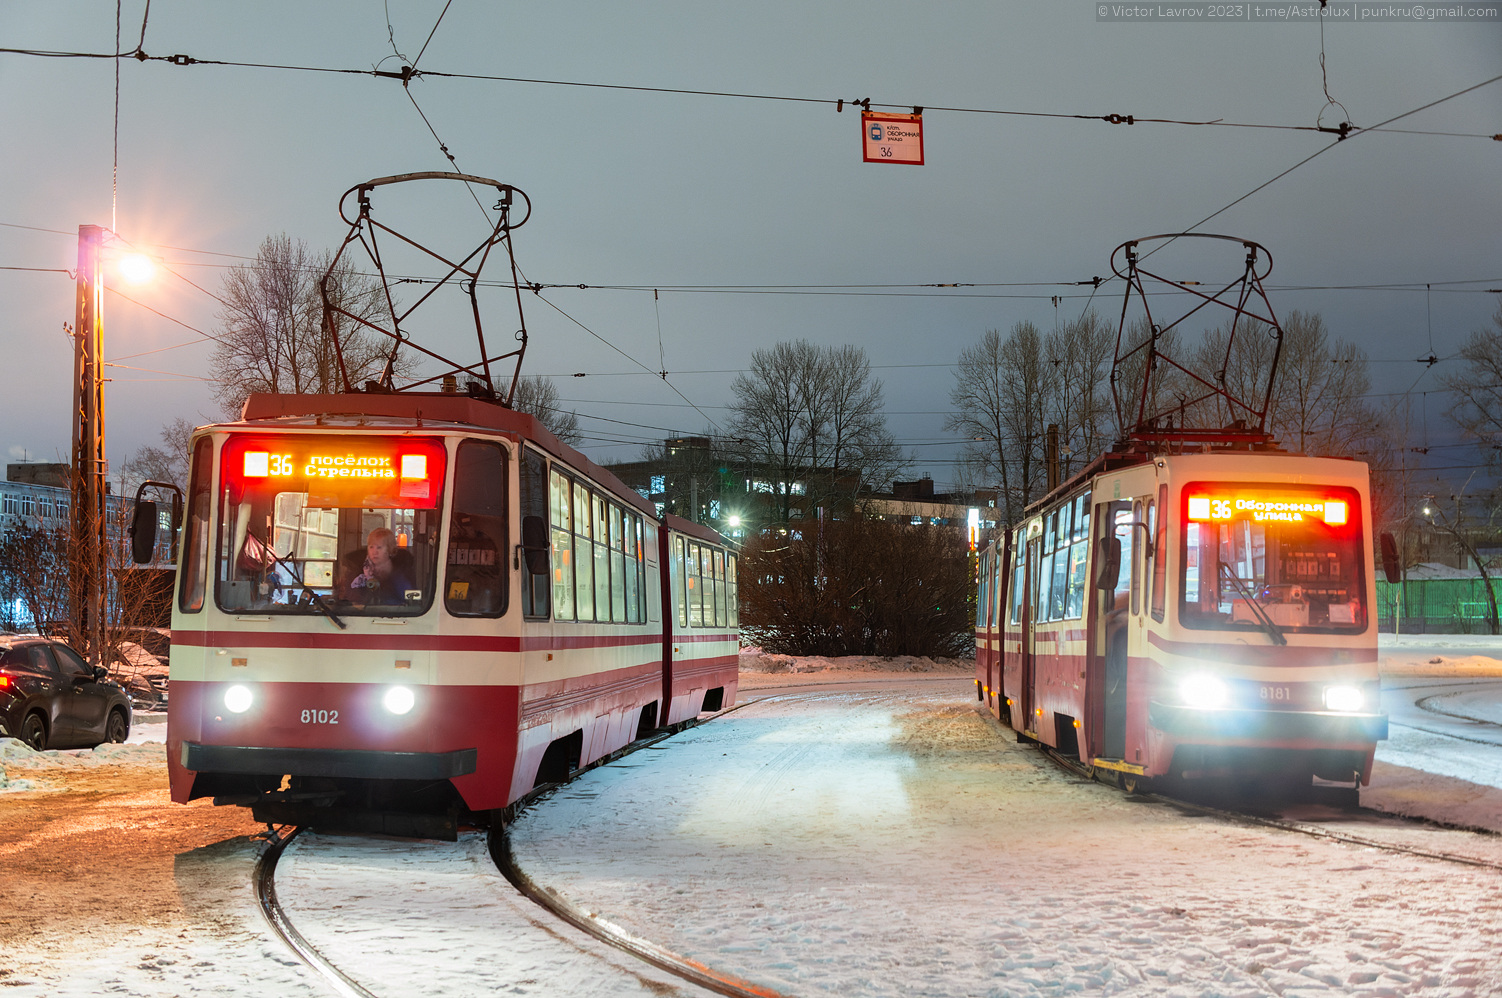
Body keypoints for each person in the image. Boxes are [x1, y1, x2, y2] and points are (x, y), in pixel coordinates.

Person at [343, 527, 416, 606]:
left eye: (379, 547)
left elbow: (409, 597)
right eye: (371, 547)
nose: (374, 552)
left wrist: (388, 573)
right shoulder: (358, 572)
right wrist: (368, 576)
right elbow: (351, 598)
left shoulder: (400, 574)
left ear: (390, 550)